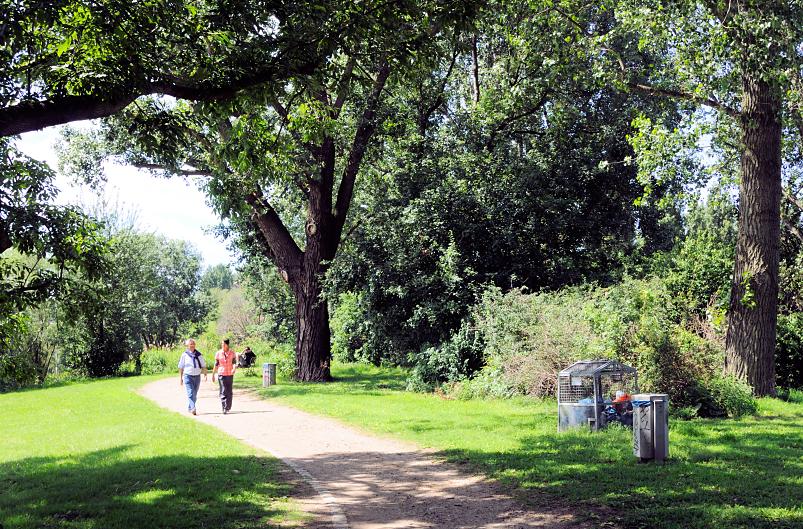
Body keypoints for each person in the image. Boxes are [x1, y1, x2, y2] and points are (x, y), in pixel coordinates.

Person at [178, 339, 207, 415]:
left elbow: (203, 365)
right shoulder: (184, 355)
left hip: (197, 376)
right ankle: (193, 408)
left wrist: (205, 375)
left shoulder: (199, 355)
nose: (192, 346)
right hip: (188, 376)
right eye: (190, 344)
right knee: (190, 393)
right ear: (187, 346)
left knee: (194, 394)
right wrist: (180, 378)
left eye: (193, 344)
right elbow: (181, 367)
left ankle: (190, 407)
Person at [213, 339, 237, 414]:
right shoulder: (218, 353)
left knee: (229, 391)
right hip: (221, 373)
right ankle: (224, 407)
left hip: (229, 373)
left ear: (227, 344)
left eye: (223, 344)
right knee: (223, 390)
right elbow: (216, 364)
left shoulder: (232, 353)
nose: (222, 345)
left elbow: (234, 363)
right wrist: (213, 374)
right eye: (221, 344)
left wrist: (234, 369)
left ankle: (228, 406)